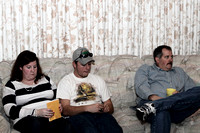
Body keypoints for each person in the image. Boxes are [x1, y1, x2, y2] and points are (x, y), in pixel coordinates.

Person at [134, 45, 200, 133]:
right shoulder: (146, 69)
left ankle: (155, 106)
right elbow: (140, 86)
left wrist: (180, 95)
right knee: (162, 113)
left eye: (171, 57)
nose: (170, 60)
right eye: (167, 57)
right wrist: (153, 97)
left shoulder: (179, 72)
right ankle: (155, 105)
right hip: (151, 103)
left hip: (177, 109)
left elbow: (192, 91)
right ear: (157, 59)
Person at [2, 50, 71, 133]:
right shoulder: (11, 85)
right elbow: (10, 110)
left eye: (35, 67)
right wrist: (36, 112)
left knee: (65, 124)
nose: (32, 70)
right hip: (26, 119)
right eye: (28, 67)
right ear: (20, 67)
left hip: (50, 116)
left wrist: (60, 106)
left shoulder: (46, 80)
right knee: (36, 123)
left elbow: (57, 97)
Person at [56, 47, 123, 133]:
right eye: (83, 65)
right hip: (78, 116)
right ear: (74, 64)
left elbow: (110, 106)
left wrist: (106, 108)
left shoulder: (98, 80)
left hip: (100, 115)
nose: (87, 68)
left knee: (116, 130)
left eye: (89, 64)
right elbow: (65, 110)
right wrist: (87, 108)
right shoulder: (66, 81)